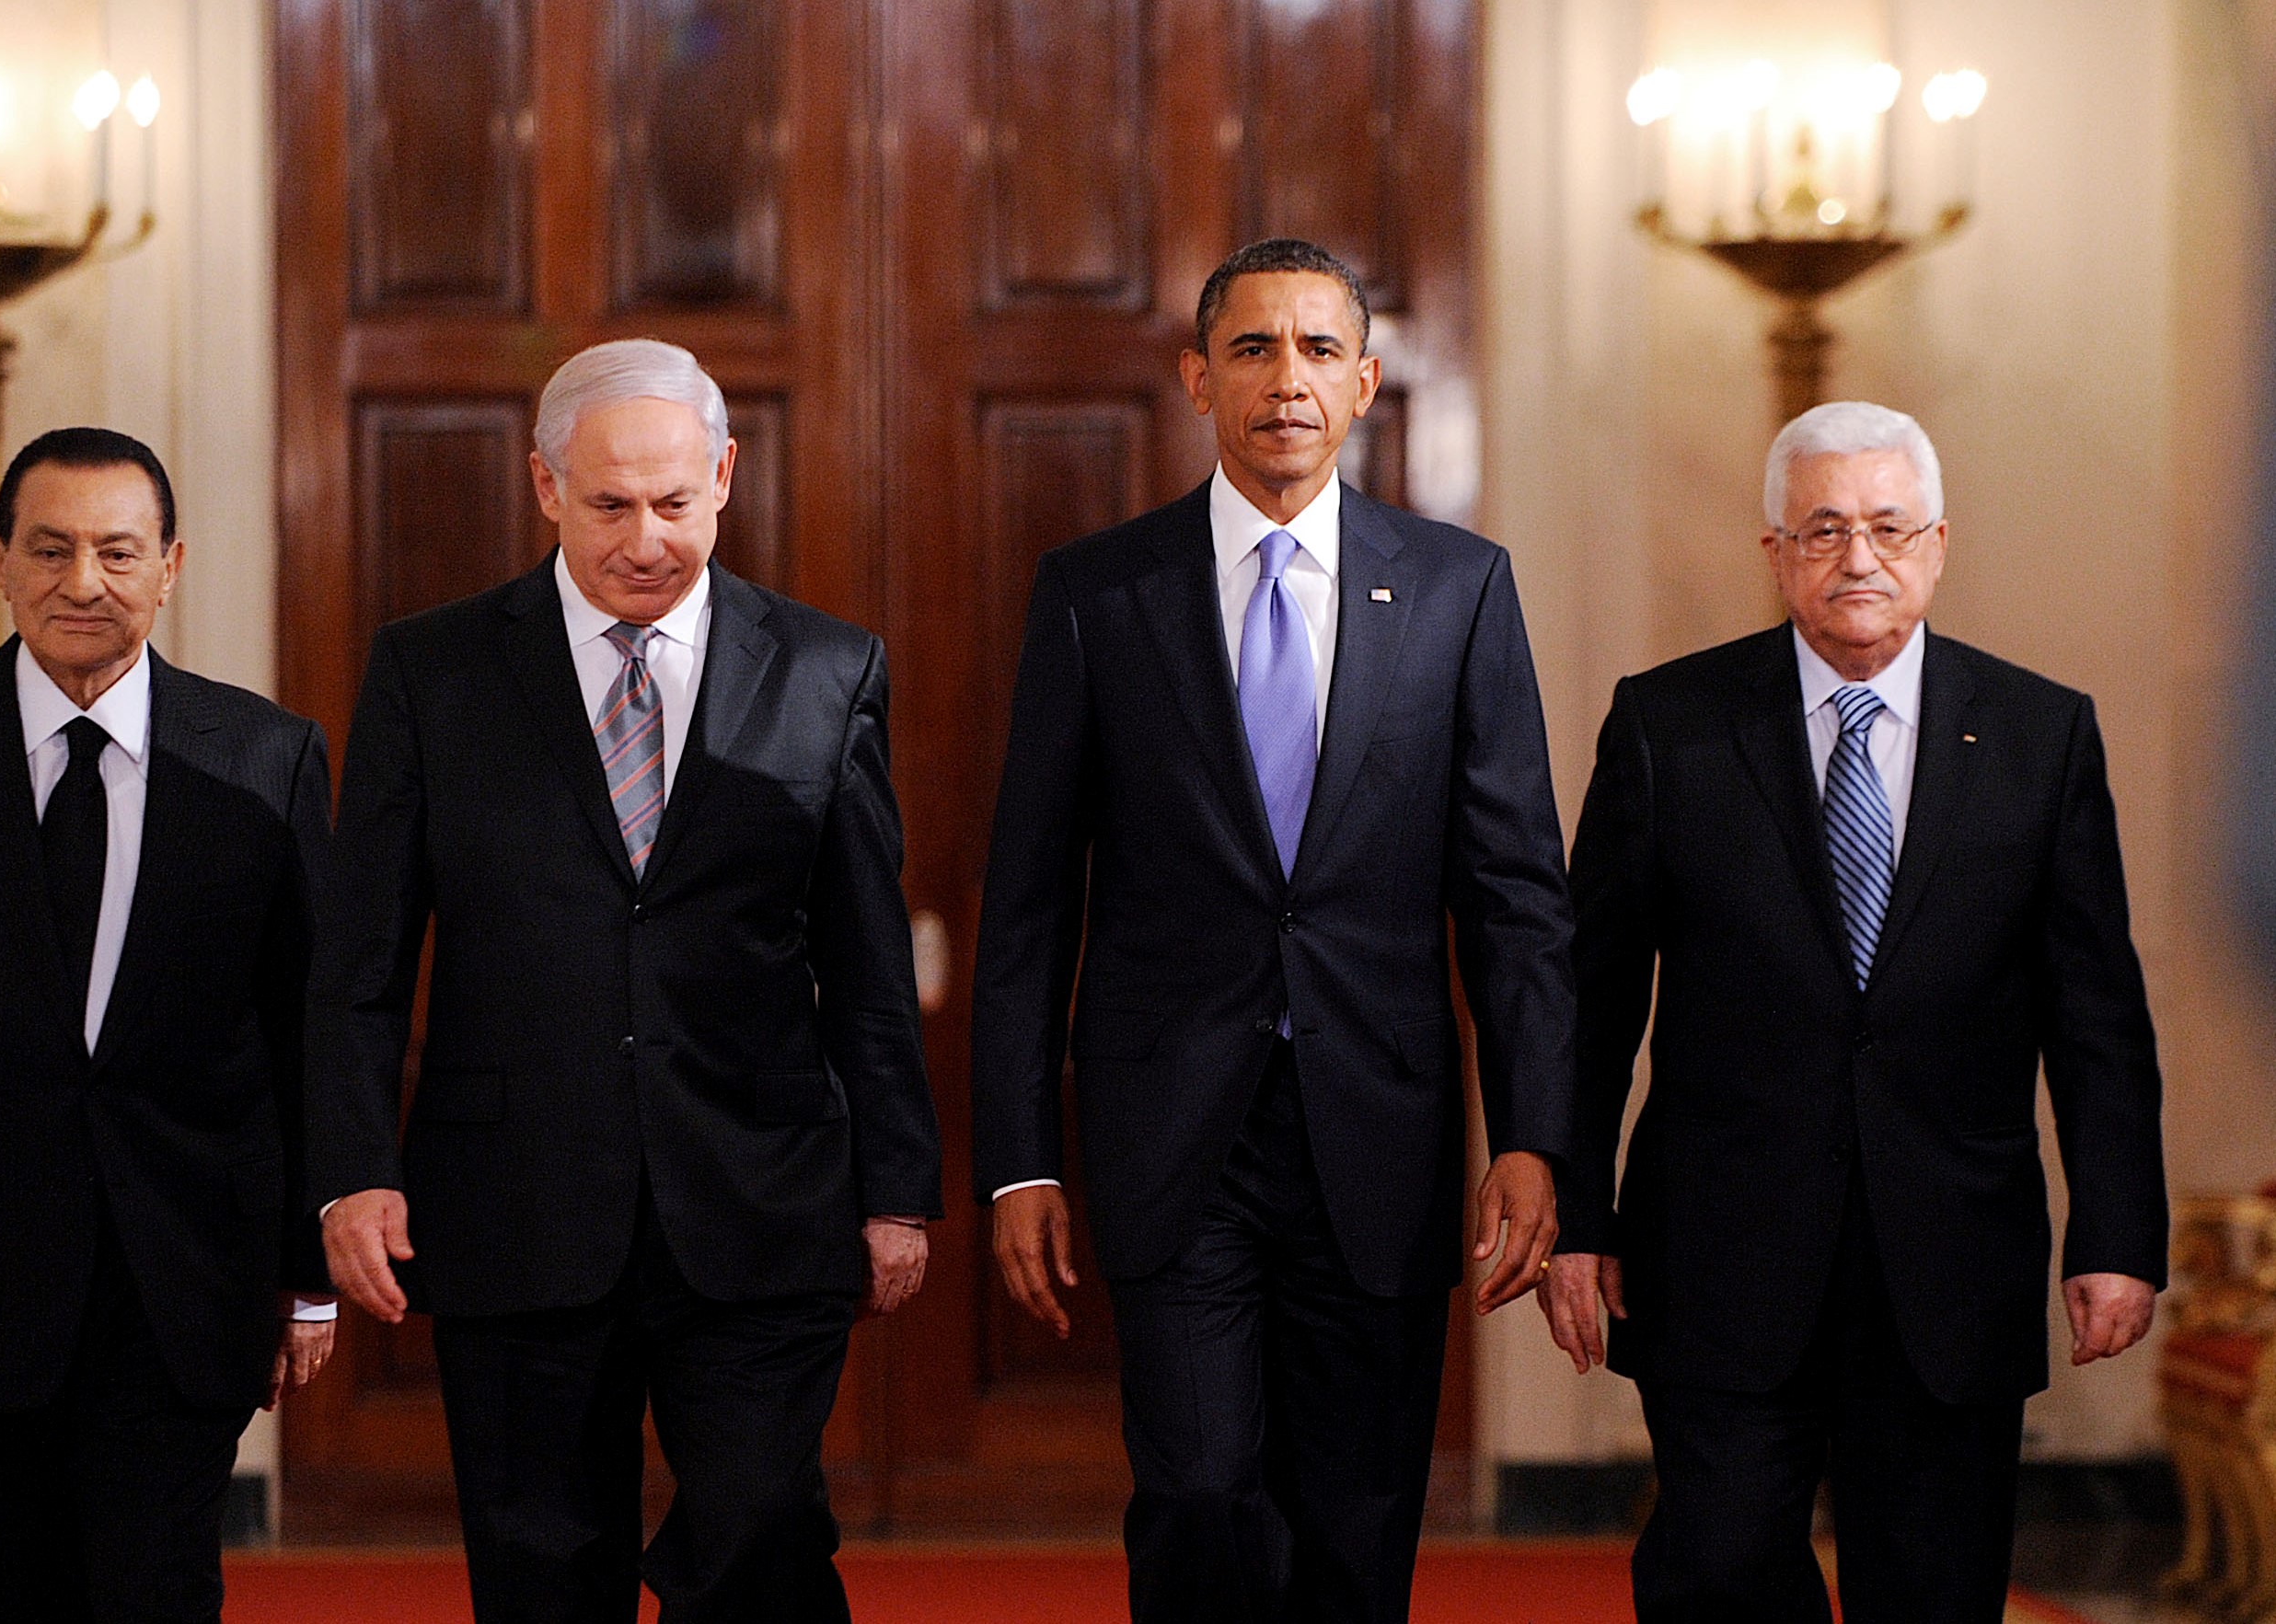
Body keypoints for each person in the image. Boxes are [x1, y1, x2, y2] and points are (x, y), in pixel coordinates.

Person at [972, 238, 1577, 1623]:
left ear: (1366, 383)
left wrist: (1534, 1132)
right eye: (1252, 349)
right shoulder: (1097, 592)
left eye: (1317, 351)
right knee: (1195, 1493)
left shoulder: (1458, 589)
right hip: (1175, 1135)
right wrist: (1015, 1162)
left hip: (1379, 1133)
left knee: (1357, 1527)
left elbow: (1516, 892)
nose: (1285, 380)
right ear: (1198, 378)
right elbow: (1025, 902)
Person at [306, 339, 942, 1622]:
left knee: (763, 1533)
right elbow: (360, 960)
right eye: (608, 505)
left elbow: (869, 965)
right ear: (543, 485)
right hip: (514, 1201)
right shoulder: (434, 675)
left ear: (723, 475)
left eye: (675, 501)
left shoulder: (828, 670)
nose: (646, 539)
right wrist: (354, 1167)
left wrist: (900, 1190)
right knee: (542, 1567)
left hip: (761, 1197)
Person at [1546, 400, 2168, 1621]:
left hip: (1950, 1256)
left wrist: (2117, 1229)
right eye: (1823, 529)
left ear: (1939, 542)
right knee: (1716, 1568)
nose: (1860, 558)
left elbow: (2098, 1014)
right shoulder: (1670, 726)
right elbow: (1591, 995)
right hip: (1719, 1252)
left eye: (1888, 526)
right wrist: (1577, 1210)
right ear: (1774, 550)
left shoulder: (2044, 737)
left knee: (1934, 1592)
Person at [0, 427, 337, 1621]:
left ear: (171, 564)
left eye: (115, 550)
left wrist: (308, 1279)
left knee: (153, 1597)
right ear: (0, 558)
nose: (81, 581)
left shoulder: (268, 755)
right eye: (49, 548)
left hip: (182, 1284)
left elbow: (308, 1029)